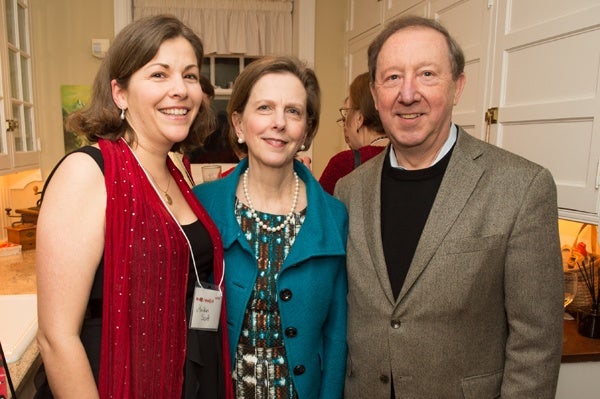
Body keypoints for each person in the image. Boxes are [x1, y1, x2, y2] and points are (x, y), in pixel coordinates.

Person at [335, 15, 563, 398]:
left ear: (457, 86)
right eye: (392, 77)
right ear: (375, 95)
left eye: (426, 74)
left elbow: (536, 347)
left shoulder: (522, 187)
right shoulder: (348, 191)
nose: (408, 94)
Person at [35, 15, 232, 399]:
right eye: (159, 74)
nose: (180, 89)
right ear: (120, 93)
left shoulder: (175, 172)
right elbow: (55, 337)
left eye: (190, 76)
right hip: (110, 380)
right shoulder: (88, 172)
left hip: (187, 374)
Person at [194, 56, 348, 398]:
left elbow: (337, 334)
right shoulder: (203, 206)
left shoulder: (334, 217)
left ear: (305, 130)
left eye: (293, 111)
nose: (278, 123)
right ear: (238, 123)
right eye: (264, 107)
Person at [319, 72, 388, 194]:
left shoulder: (343, 164)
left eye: (346, 113)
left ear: (359, 119)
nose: (344, 124)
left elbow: (317, 210)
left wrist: (306, 185)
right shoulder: (407, 158)